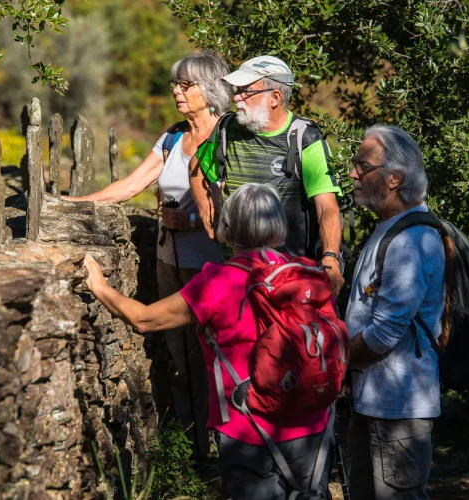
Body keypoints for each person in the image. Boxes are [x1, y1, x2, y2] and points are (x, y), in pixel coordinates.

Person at [83, 183, 334, 500]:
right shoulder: (309, 273)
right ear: (278, 227)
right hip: (314, 423)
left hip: (249, 430)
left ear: (228, 227)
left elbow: (144, 319)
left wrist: (101, 287)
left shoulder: (218, 281)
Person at [64, 51, 232, 458]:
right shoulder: (173, 136)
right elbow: (130, 185)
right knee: (178, 353)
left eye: (186, 84)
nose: (176, 91)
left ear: (209, 90)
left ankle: (226, 445)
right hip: (168, 262)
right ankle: (194, 448)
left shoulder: (230, 139)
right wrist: (73, 205)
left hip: (213, 266)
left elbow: (240, 208)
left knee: (214, 357)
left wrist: (190, 221)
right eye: (175, 83)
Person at [344, 125, 446, 499]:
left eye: (363, 166)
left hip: (398, 406)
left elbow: (385, 333)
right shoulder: (390, 228)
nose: (353, 173)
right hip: (377, 398)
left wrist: (338, 360)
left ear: (394, 179)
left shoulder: (412, 240)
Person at [188, 55, 345, 296]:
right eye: (236, 90)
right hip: (236, 273)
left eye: (245, 91)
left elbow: (327, 207)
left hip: (288, 276)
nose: (236, 98)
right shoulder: (227, 128)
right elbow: (196, 166)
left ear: (275, 97)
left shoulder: (304, 138)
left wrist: (331, 259)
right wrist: (209, 216)